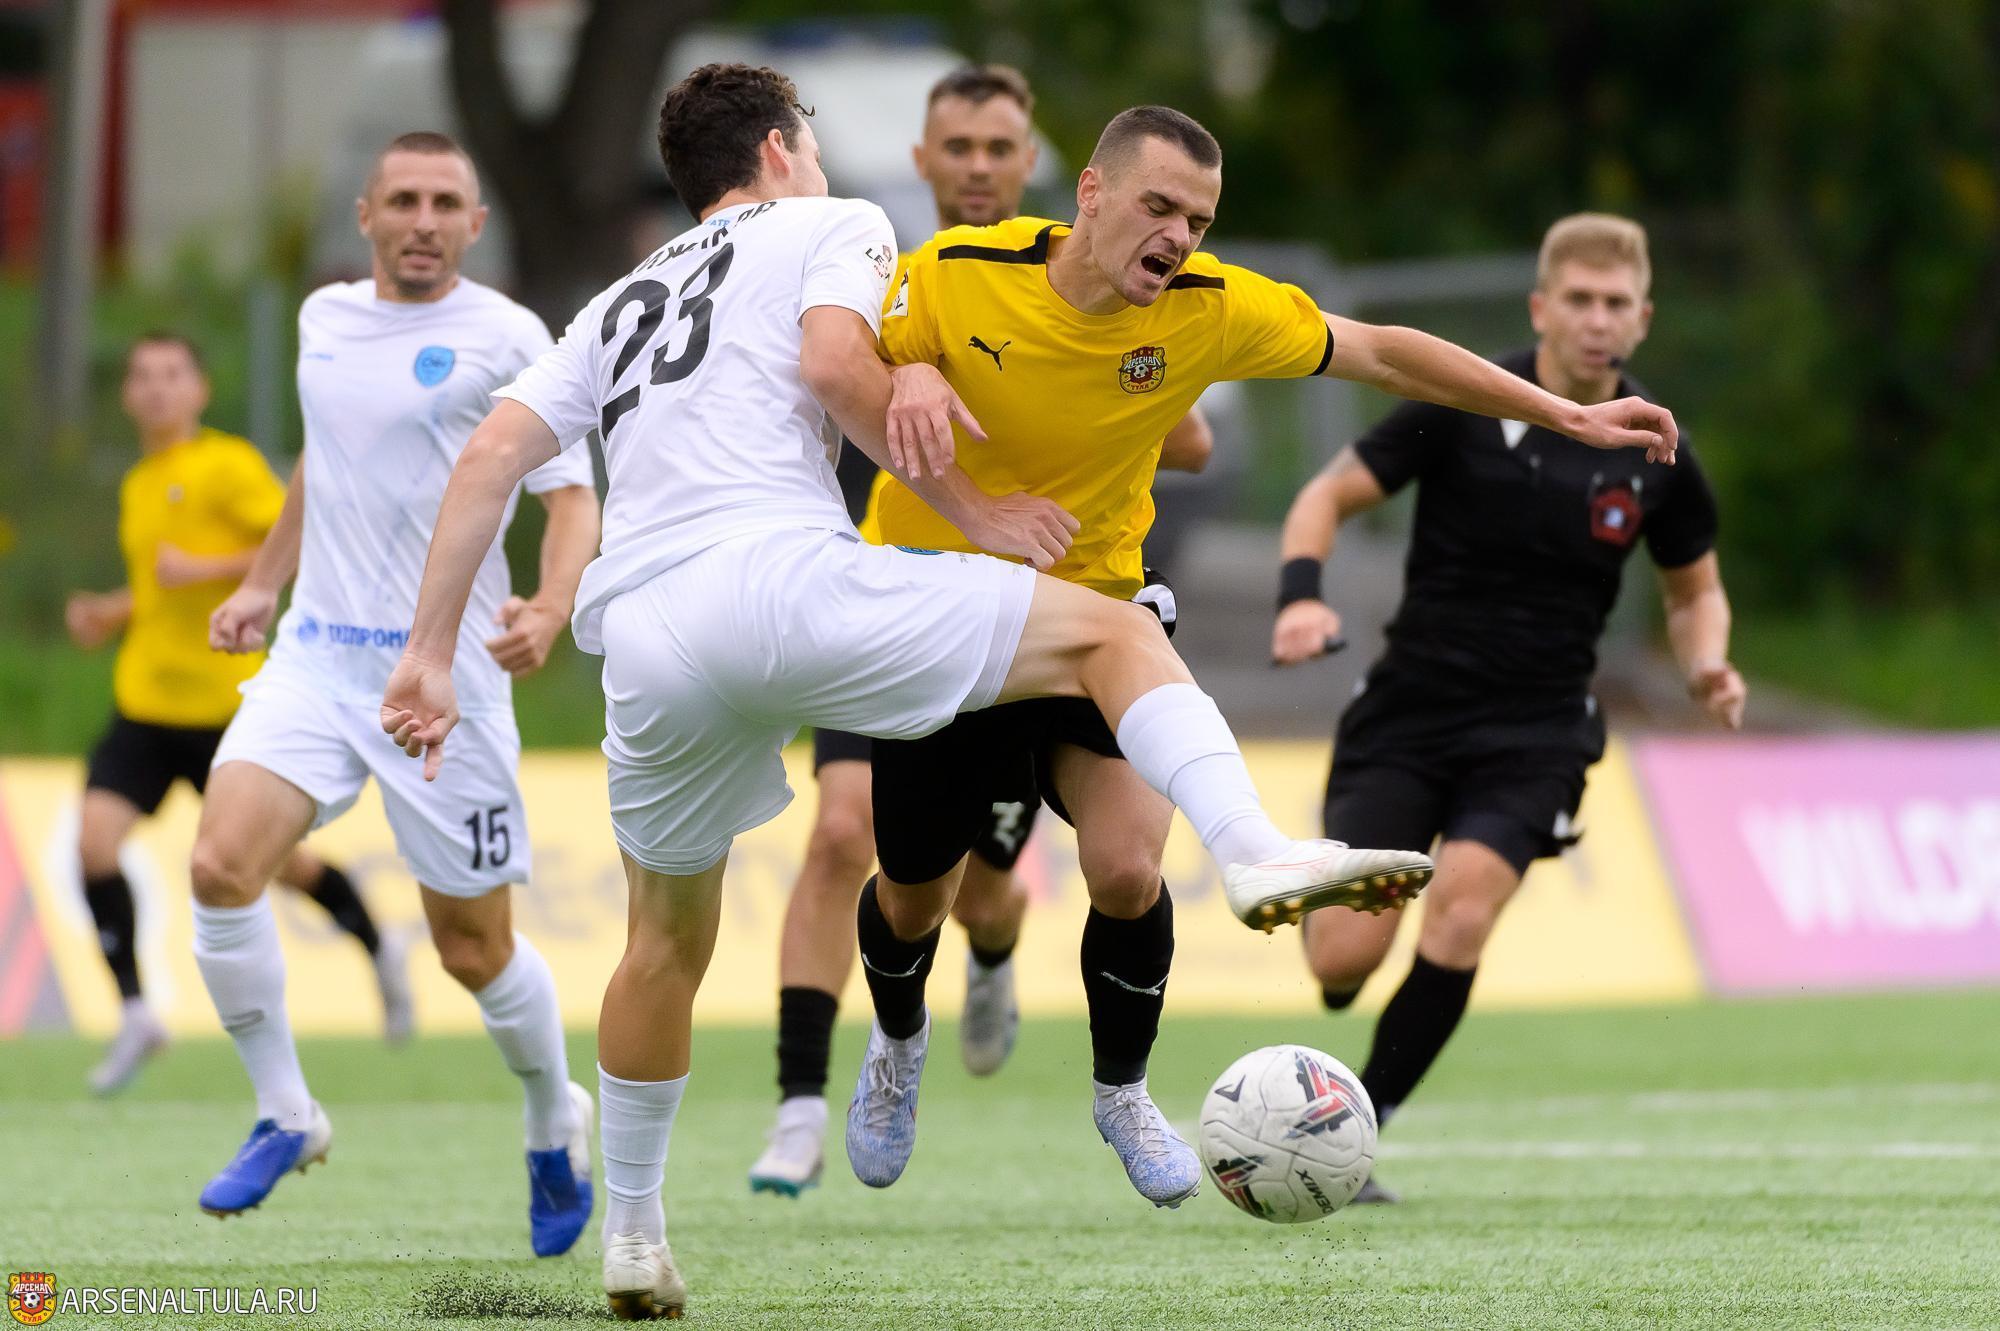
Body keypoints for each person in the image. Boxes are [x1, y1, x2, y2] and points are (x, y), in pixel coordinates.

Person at [377, 64, 1455, 1320]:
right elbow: (839, 366)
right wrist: (976, 509)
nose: (822, 162)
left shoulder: (618, 300)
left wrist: (426, 653)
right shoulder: (830, 222)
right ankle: (1254, 848)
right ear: (777, 149)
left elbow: (490, 456)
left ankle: (633, 1234)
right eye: (811, 142)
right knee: (1112, 636)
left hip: (648, 636)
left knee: (661, 944)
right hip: (785, 583)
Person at [847, 111, 1681, 1211]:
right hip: (946, 621)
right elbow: (841, 355)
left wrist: (1561, 412)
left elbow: (1382, 350)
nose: (1178, 237)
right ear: (1089, 192)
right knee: (916, 897)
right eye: (1158, 206)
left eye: (1197, 220)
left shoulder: (1208, 307)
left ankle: (1121, 1090)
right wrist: (904, 373)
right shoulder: (959, 271)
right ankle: (897, 1042)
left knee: (1129, 868)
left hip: (1097, 618)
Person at [748, 61, 1215, 1199]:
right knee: (869, 854)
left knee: (1080, 873)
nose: (976, 166)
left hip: (1079, 601)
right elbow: (828, 368)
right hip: (915, 605)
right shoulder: (889, 266)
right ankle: (830, 1085)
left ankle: (1101, 1067)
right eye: (956, 147)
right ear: (922, 160)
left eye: (997, 148)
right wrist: (909, 371)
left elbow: (1188, 431)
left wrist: (1093, 395)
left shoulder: (1123, 281)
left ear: (1042, 165)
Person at [1271, 212, 1744, 1202]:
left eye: (1616, 303)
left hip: (1535, 730)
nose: (1596, 319)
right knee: (1341, 959)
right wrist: (1301, 595)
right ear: (1539, 308)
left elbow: (1693, 588)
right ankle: (1338, 957)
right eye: (1578, 299)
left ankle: (1354, 1129)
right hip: (1408, 711)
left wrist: (1706, 663)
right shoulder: (1459, 401)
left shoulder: (1655, 448)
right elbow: (1323, 497)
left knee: (1462, 908)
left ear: (1643, 319)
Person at [188, 132, 603, 1258]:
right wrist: (261, 583)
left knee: (472, 948)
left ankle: (551, 1114)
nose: (424, 221)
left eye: (445, 203)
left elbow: (571, 497)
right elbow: (324, 463)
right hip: (319, 661)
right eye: (404, 200)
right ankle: (286, 1113)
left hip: (448, 681)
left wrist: (550, 604)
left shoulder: (509, 336)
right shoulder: (324, 319)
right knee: (220, 865)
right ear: (366, 215)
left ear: (475, 225)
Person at [64, 333, 407, 1097]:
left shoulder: (226, 465)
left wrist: (204, 568)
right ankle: (136, 1013)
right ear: (127, 395)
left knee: (283, 867)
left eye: (172, 374)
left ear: (200, 390)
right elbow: (158, 589)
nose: (156, 388)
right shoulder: (140, 482)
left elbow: (298, 539)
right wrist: (112, 612)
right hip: (145, 705)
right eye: (142, 376)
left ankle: (377, 945)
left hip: (226, 709)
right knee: (92, 842)